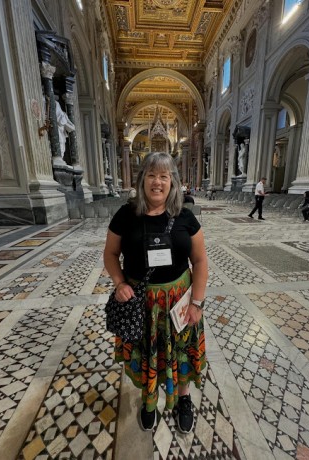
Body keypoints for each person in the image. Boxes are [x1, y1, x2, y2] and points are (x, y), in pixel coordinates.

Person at [104, 152, 208, 434]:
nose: (157, 182)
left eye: (164, 176)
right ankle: (149, 399)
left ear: (173, 182)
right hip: (141, 303)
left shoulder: (185, 216)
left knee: (181, 352)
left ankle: (183, 398)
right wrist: (119, 283)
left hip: (179, 303)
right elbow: (111, 254)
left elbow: (200, 261)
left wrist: (197, 303)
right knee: (147, 351)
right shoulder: (126, 215)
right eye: (151, 175)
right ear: (142, 180)